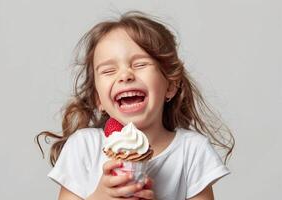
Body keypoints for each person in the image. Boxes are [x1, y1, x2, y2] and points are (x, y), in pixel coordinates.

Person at [37, 10, 235, 200]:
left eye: (140, 64)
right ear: (98, 99)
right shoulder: (83, 147)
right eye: (108, 71)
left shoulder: (192, 151)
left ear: (171, 85)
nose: (125, 75)